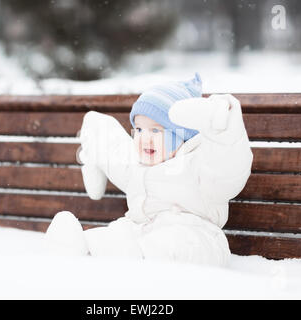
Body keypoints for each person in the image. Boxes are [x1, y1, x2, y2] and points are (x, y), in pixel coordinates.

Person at [44, 72, 253, 267]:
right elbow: (111, 150)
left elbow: (227, 170)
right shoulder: (137, 164)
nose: (145, 137)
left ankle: (128, 260)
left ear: (182, 134)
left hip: (195, 236)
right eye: (140, 129)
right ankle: (75, 246)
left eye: (155, 130)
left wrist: (222, 130)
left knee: (173, 243)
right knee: (115, 233)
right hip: (141, 230)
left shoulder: (197, 163)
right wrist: (92, 143)